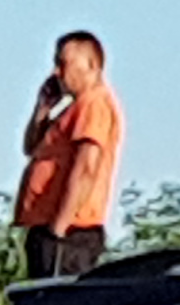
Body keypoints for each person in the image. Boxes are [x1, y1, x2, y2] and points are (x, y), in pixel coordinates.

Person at [15, 29, 125, 280]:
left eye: (62, 64)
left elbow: (86, 168)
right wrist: (42, 111)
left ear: (92, 65)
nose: (56, 72)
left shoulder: (94, 104)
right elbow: (30, 147)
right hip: (51, 229)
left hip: (71, 233)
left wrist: (59, 229)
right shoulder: (72, 110)